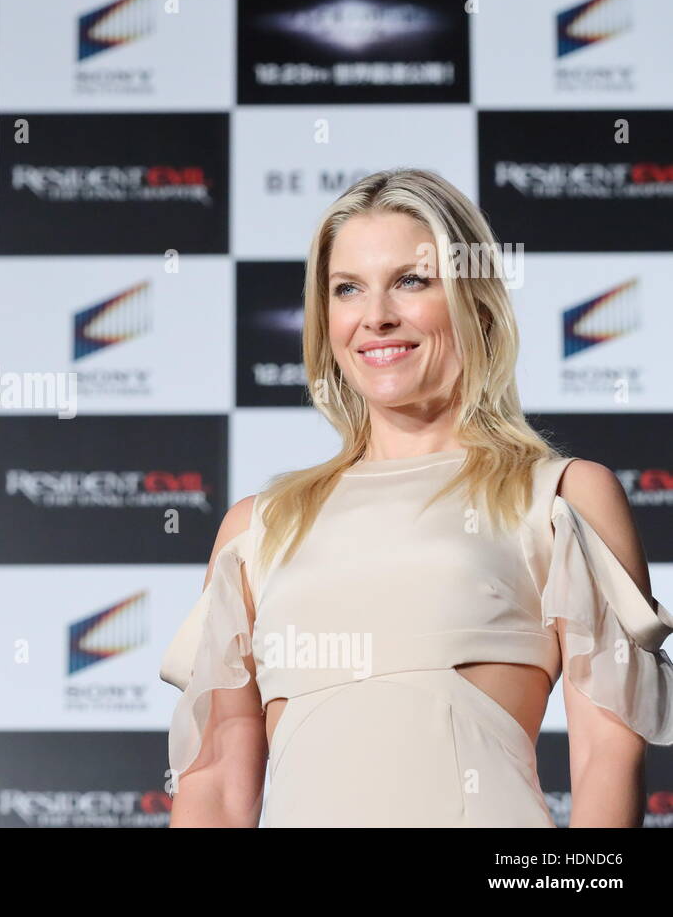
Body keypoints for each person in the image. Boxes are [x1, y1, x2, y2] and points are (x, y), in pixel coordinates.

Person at [161, 168, 673, 827]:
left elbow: (607, 756)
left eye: (412, 281)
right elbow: (215, 779)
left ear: (475, 299)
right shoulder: (258, 527)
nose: (376, 316)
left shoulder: (559, 495)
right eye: (348, 289)